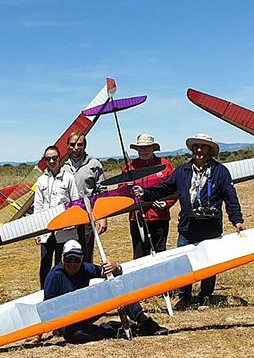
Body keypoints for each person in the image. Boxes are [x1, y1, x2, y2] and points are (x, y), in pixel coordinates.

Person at [133, 133, 245, 309]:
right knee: (184, 261)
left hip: (211, 225)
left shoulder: (220, 171)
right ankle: (184, 296)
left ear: (210, 151)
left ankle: (205, 296)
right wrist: (145, 193)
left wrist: (237, 220)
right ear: (193, 150)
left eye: (204, 147)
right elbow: (165, 188)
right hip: (187, 225)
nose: (199, 150)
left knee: (209, 261)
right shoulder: (182, 171)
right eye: (197, 147)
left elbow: (230, 197)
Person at [43, 240, 166, 343]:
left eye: (77, 260)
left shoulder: (85, 268)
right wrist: (39, 333)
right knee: (75, 335)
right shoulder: (55, 276)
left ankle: (144, 322)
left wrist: (116, 267)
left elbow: (112, 273)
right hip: (67, 320)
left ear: (82, 259)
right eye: (68, 259)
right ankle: (113, 329)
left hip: (86, 311)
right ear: (62, 259)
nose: (73, 264)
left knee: (117, 286)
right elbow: (46, 308)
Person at [33, 145, 80, 287]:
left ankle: (62, 291)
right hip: (46, 230)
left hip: (64, 229)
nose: (52, 161)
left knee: (62, 264)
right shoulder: (41, 180)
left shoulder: (68, 178)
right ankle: (45, 291)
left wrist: (73, 223)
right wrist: (37, 231)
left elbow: (76, 202)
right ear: (45, 160)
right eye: (48, 159)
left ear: (60, 158)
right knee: (45, 264)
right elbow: (38, 206)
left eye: (54, 158)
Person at [122, 133, 175, 259]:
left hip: (159, 216)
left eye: (147, 147)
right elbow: (122, 191)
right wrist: (128, 190)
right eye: (140, 147)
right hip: (137, 218)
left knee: (160, 253)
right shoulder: (129, 167)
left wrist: (167, 204)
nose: (143, 150)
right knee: (139, 255)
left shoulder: (164, 164)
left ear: (153, 148)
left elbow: (174, 188)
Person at [61, 132, 106, 264]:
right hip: (66, 216)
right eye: (72, 144)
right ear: (67, 146)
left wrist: (103, 217)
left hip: (87, 216)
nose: (76, 148)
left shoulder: (94, 164)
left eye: (79, 144)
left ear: (85, 146)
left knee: (85, 253)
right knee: (66, 253)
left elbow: (102, 191)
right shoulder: (61, 164)